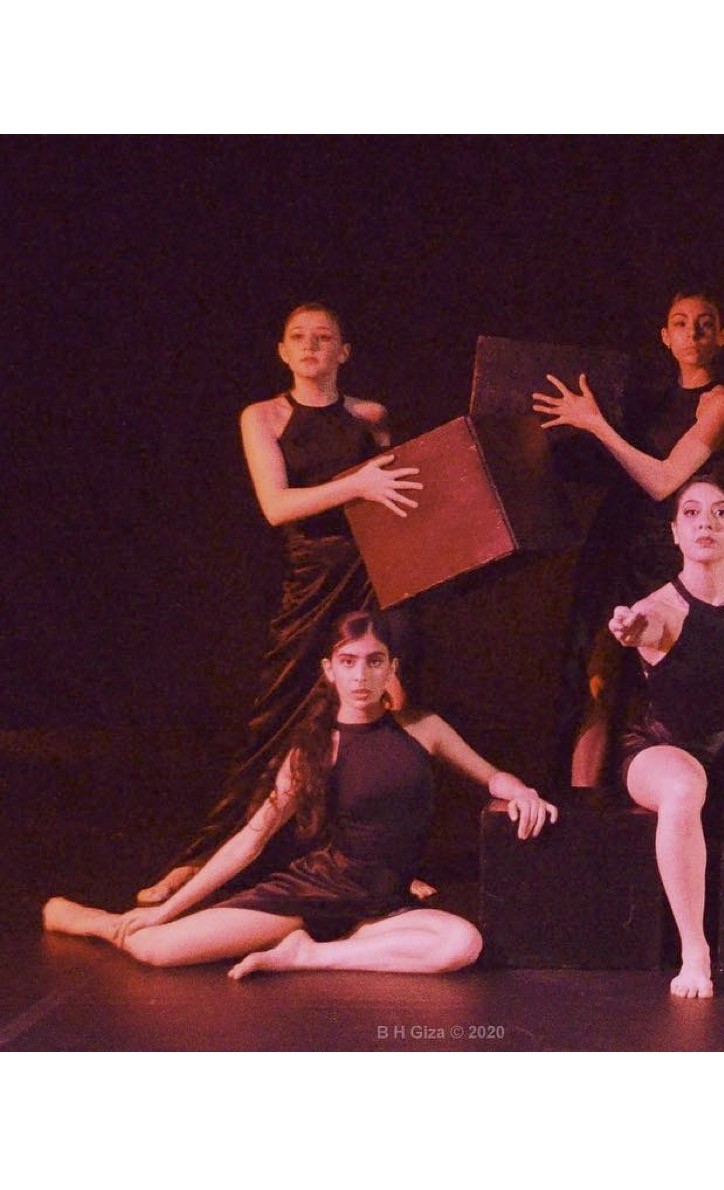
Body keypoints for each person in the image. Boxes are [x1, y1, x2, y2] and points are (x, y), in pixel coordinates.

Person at [44, 611, 557, 978]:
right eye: (348, 661)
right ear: (329, 670)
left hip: (383, 906)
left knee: (462, 944)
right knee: (155, 948)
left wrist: (521, 791)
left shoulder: (424, 729)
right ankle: (99, 923)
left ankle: (310, 956)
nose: (361, 676)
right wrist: (165, 910)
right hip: (314, 895)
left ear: (391, 668)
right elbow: (251, 840)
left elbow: (492, 777)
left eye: (374, 661)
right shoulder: (314, 748)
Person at [137, 303, 422, 905]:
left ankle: (386, 860)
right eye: (299, 337)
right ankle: (202, 859)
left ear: (344, 351)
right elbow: (276, 506)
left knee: (381, 713)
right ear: (283, 351)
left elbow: (398, 495)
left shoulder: (371, 416)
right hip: (312, 580)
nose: (311, 346)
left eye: (324, 337)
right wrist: (358, 484)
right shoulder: (263, 416)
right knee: (279, 720)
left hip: (372, 577)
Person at [533, 293, 724, 789]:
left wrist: (596, 424)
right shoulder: (645, 400)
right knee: (597, 680)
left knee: (664, 688)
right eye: (681, 323)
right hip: (616, 545)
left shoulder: (720, 403)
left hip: (671, 555)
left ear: (721, 336)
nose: (692, 333)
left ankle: (667, 802)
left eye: (705, 324)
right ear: (665, 336)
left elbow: (664, 481)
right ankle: (584, 806)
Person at [609, 475, 724, 998]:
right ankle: (695, 951)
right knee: (684, 786)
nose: (705, 523)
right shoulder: (659, 608)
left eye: (720, 512)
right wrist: (630, 629)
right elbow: (642, 626)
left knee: (710, 786)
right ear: (675, 532)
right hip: (659, 749)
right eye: (690, 513)